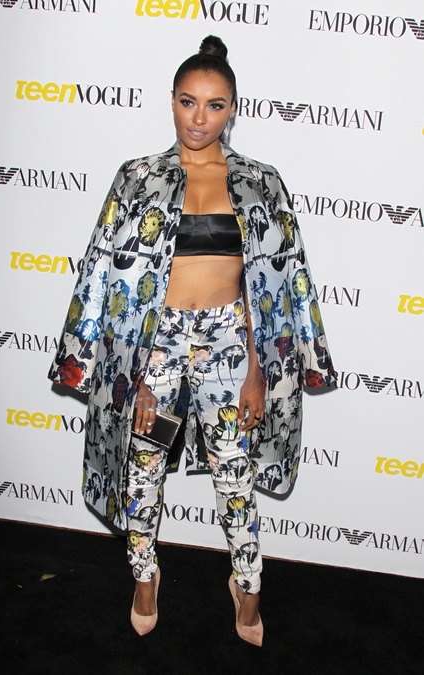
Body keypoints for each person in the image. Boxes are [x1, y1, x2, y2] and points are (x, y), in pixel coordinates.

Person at [49, 35, 336, 647]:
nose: (200, 118)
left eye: (215, 105)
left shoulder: (261, 183)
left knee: (235, 477)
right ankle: (145, 577)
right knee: (144, 471)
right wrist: (132, 375)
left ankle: (248, 586)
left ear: (233, 109)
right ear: (172, 101)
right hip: (154, 348)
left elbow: (277, 284)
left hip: (231, 343)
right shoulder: (137, 179)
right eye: (188, 102)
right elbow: (103, 276)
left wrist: (258, 370)